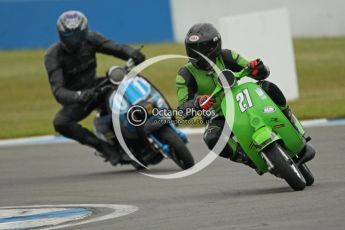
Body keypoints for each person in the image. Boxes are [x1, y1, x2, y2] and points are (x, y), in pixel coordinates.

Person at [176, 23, 295, 167]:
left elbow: (259, 73)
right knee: (211, 137)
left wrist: (258, 68)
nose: (197, 54)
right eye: (193, 49)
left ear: (214, 45)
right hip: (217, 115)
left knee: (268, 87)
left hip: (243, 101)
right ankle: (245, 157)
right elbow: (183, 110)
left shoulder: (227, 56)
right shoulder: (185, 74)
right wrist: (197, 103)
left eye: (202, 48)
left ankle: (290, 120)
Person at [44, 10, 145, 164]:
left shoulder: (92, 39)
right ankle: (104, 148)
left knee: (126, 80)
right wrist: (78, 96)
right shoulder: (53, 55)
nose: (75, 40)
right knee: (60, 122)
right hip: (78, 98)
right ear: (61, 36)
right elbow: (58, 91)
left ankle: (153, 115)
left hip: (97, 86)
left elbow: (115, 47)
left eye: (79, 34)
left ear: (85, 31)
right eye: (70, 37)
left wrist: (132, 53)